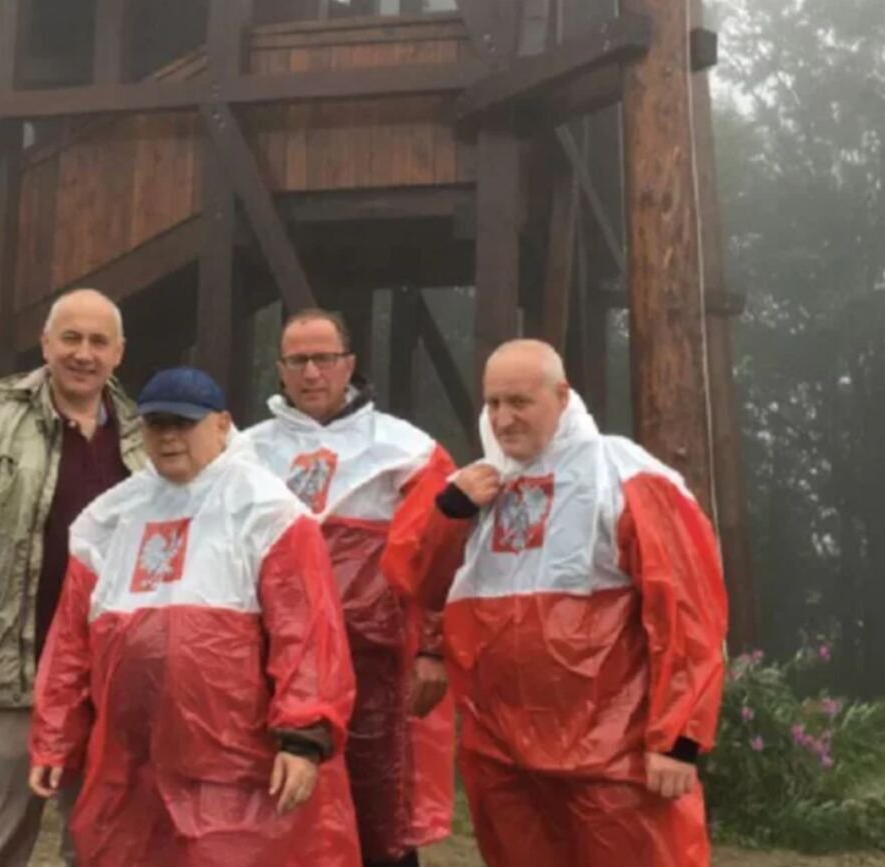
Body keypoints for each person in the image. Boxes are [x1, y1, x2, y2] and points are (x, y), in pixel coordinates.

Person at [28, 367, 362, 866]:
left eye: (183, 424)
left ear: (223, 424)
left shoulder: (268, 511)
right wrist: (55, 738)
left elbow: (307, 636)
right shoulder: (109, 519)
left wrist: (303, 739)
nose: (167, 437)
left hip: (239, 773)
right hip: (132, 769)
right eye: (156, 424)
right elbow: (72, 640)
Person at [436, 339, 728, 867]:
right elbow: (416, 587)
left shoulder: (625, 475)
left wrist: (678, 739)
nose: (503, 419)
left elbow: (686, 610)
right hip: (503, 761)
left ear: (562, 395)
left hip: (614, 764)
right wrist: (445, 515)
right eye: (493, 404)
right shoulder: (481, 485)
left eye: (519, 402)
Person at [242, 308, 467, 867]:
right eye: (298, 360)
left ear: (350, 365)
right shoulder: (242, 450)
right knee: (276, 805)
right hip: (271, 659)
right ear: (280, 369)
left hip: (373, 664)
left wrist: (433, 648)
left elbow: (444, 554)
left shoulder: (406, 448)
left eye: (324, 359)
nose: (311, 373)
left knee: (380, 808)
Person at [0, 288, 146, 867]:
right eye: (70, 338)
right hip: (12, 678)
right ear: (46, 344)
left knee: (102, 849)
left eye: (98, 341)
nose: (83, 353)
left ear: (119, 353)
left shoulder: (145, 437)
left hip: (110, 682)